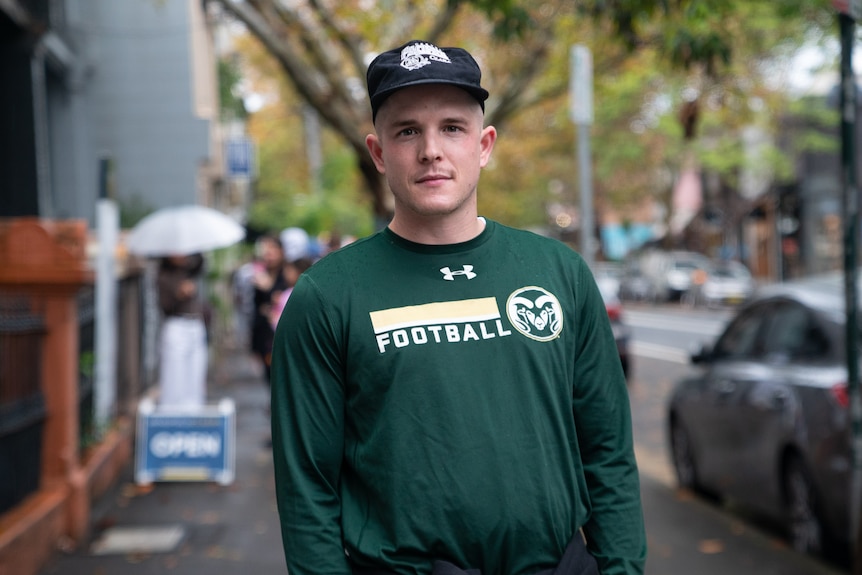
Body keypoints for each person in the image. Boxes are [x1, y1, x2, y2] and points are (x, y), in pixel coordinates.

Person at [270, 40, 647, 575]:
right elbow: (306, 486)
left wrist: (622, 569)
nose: (431, 150)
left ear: (484, 144)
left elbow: (607, 450)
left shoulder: (558, 272)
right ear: (379, 153)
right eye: (407, 131)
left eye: (452, 127)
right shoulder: (327, 295)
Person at [156, 252, 207, 408]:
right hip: (176, 324)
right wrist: (179, 294)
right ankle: (172, 415)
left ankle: (194, 413)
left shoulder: (190, 271)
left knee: (196, 374)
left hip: (195, 324)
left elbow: (200, 260)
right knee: (174, 375)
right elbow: (164, 306)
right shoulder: (164, 276)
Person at [250, 234, 289, 385]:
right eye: (265, 250)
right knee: (269, 376)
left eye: (272, 249)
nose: (269, 254)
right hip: (265, 336)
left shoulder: (288, 274)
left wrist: (269, 288)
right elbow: (257, 310)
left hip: (284, 334)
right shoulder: (259, 276)